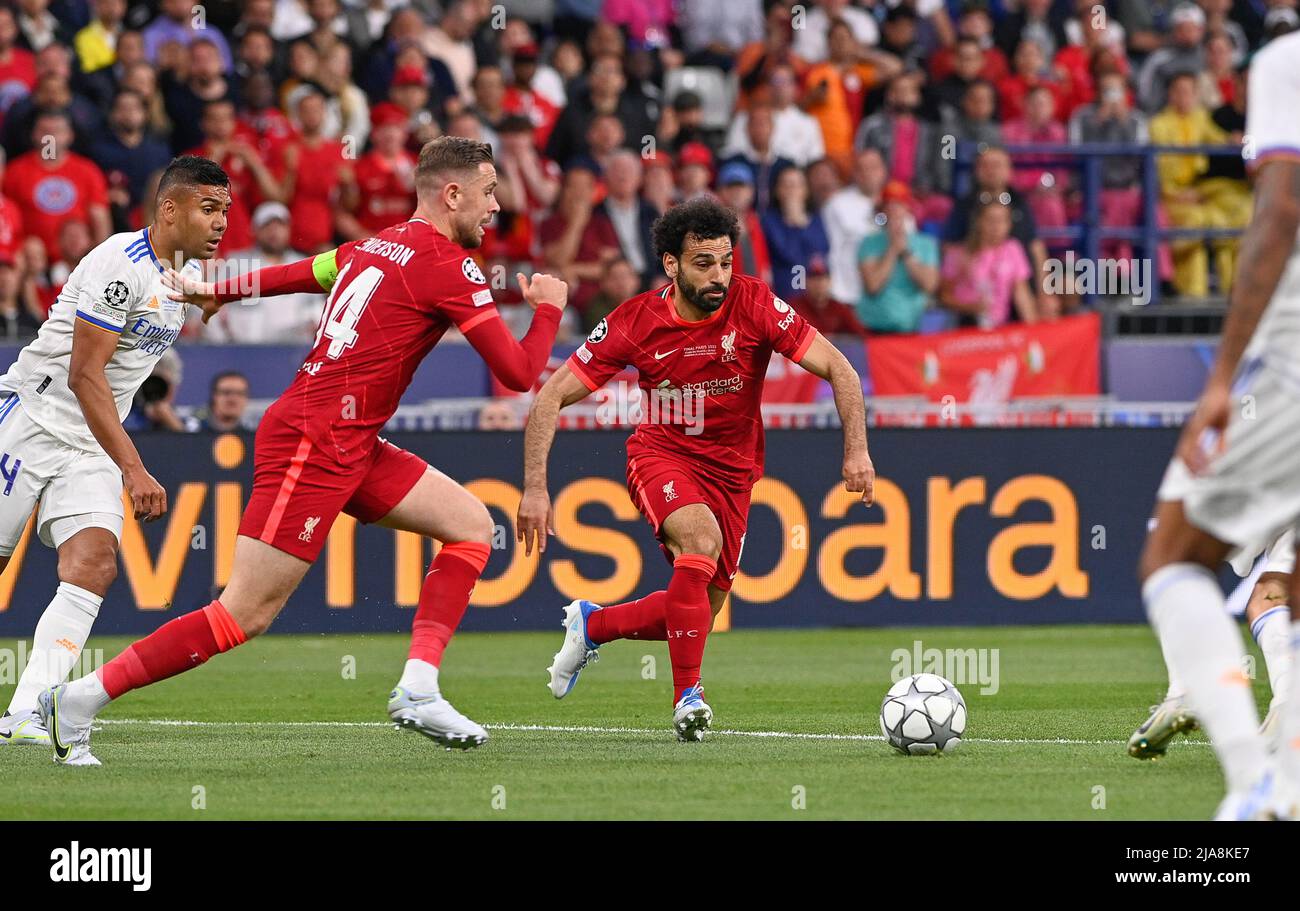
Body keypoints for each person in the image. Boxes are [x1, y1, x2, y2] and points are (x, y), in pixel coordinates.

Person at [38, 137, 568, 764]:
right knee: (244, 613)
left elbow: (305, 272)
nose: (496, 206)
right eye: (488, 191)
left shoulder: (372, 244)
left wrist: (224, 293)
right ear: (452, 194)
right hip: (315, 440)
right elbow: (516, 371)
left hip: (350, 438)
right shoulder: (450, 267)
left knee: (472, 527)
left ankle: (419, 687)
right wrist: (548, 312)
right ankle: (78, 700)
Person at [516, 197, 873, 741]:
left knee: (697, 611)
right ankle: (688, 696)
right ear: (671, 264)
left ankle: (594, 623)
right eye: (704, 262)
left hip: (735, 473)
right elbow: (549, 399)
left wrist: (857, 451)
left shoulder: (754, 304)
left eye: (726, 261)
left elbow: (839, 368)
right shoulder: (635, 321)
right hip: (663, 455)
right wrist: (535, 489)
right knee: (699, 543)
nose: (719, 275)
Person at [0, 156, 227, 746]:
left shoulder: (182, 279)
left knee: (94, 566)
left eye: (225, 209)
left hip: (90, 443)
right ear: (169, 208)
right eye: (208, 208)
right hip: (32, 421)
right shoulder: (118, 265)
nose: (221, 222)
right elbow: (84, 375)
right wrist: (134, 466)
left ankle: (27, 712)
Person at [1136, 31, 1300, 819]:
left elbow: (1277, 215)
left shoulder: (1284, 64)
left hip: (1291, 362)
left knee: (1173, 554)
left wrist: (1225, 374)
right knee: (1278, 574)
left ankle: (1254, 780)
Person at [939, 199, 1037, 329]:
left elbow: (1022, 294)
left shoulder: (1013, 249)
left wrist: (1034, 330)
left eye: (1002, 220)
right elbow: (944, 296)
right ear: (979, 222)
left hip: (999, 327)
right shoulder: (959, 253)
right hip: (965, 325)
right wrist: (971, 307)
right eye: (991, 220)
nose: (996, 226)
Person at [857, 181, 940, 334]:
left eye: (899, 204)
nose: (894, 209)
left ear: (907, 207)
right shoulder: (869, 243)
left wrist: (906, 253)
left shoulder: (926, 243)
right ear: (882, 209)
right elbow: (873, 286)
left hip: (913, 326)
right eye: (889, 205)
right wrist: (892, 251)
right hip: (875, 327)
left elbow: (930, 285)